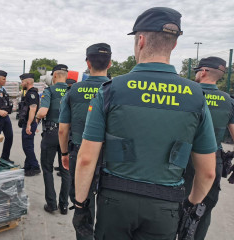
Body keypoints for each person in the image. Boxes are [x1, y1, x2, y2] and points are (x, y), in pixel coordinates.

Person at [73, 7, 217, 240]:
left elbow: (87, 158)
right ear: (174, 44)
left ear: (140, 40)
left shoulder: (111, 90)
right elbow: (208, 172)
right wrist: (190, 206)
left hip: (115, 203)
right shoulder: (196, 96)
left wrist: (80, 206)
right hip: (166, 206)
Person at [58, 43, 111, 240]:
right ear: (110, 63)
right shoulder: (116, 89)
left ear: (88, 63)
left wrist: (64, 153)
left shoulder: (74, 90)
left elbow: (63, 129)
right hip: (110, 156)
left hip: (79, 152)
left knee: (82, 202)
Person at [183, 56, 234, 240]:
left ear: (203, 72)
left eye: (197, 70)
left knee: (178, 206)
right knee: (203, 210)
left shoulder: (187, 93)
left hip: (185, 159)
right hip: (214, 160)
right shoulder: (228, 101)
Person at [36, 64, 71, 214]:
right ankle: (64, 205)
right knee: (66, 171)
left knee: (48, 169)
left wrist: (36, 117)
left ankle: (52, 204)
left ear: (55, 75)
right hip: (68, 134)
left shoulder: (49, 90)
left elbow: (43, 111)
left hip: (51, 133)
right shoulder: (72, 91)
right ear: (66, 76)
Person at [18, 73, 41, 176]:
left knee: (27, 146)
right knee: (28, 145)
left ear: (27, 82)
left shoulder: (32, 94)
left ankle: (35, 167)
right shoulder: (28, 92)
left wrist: (29, 124)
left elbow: (33, 109)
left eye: (22, 82)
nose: (21, 83)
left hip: (29, 123)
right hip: (30, 123)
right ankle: (28, 166)